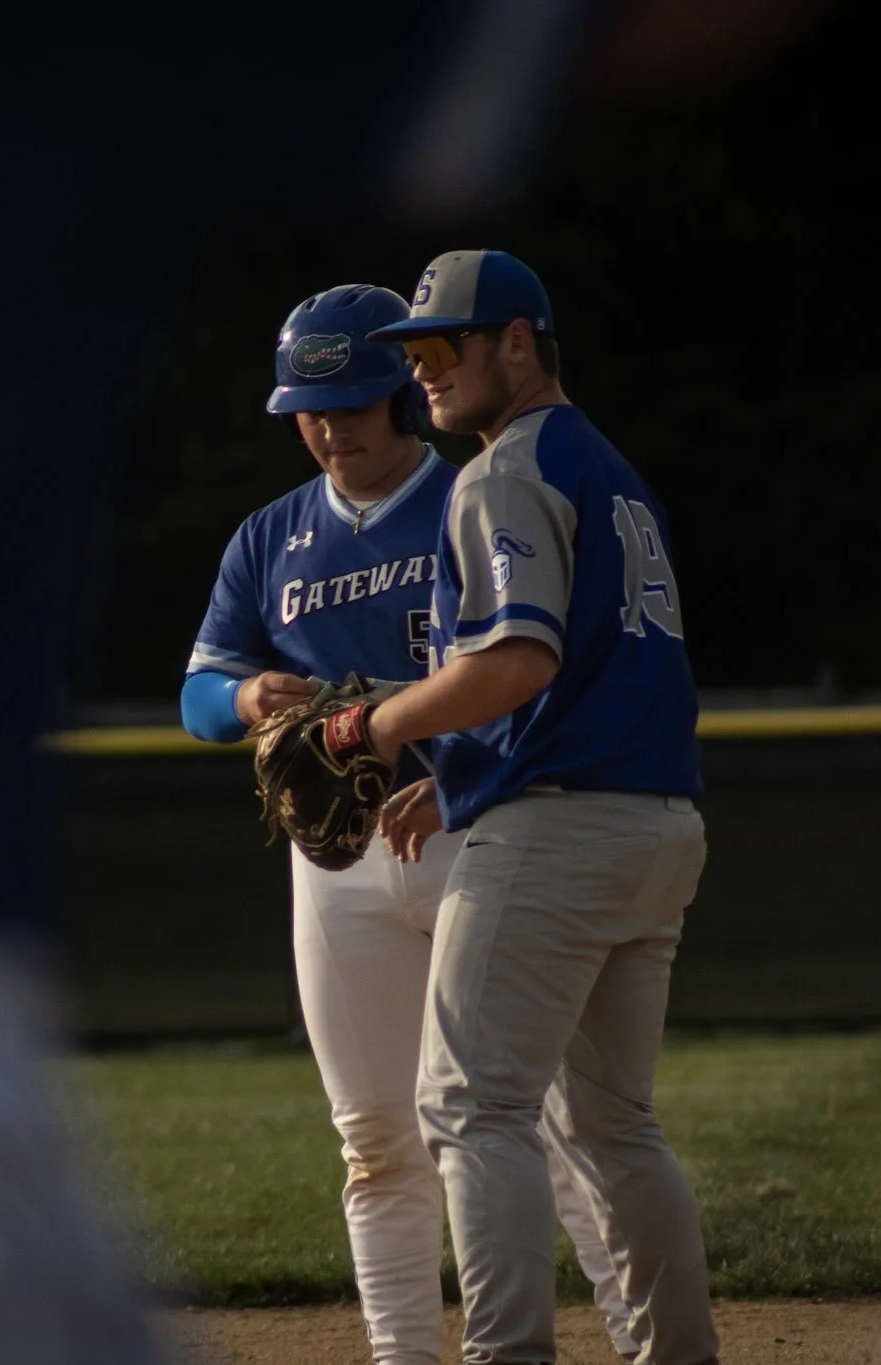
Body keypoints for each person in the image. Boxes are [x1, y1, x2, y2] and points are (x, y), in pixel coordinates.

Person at [180, 283, 639, 1365]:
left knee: (546, 1130)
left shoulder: (474, 498)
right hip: (334, 865)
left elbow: (541, 673)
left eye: (350, 406)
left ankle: (641, 1337)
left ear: (400, 397)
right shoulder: (270, 537)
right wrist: (248, 701)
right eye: (307, 409)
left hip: (479, 832)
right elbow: (199, 694)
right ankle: (401, 1354)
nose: (327, 430)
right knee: (375, 1141)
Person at [365, 250, 719, 1365]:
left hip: (560, 833)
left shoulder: (503, 470)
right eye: (411, 354)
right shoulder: (605, 465)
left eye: (440, 347)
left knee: (473, 1111)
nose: (421, 372)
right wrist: (461, 772)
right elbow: (583, 671)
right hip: (653, 823)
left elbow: (518, 660)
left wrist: (370, 727)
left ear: (516, 340)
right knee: (611, 1128)